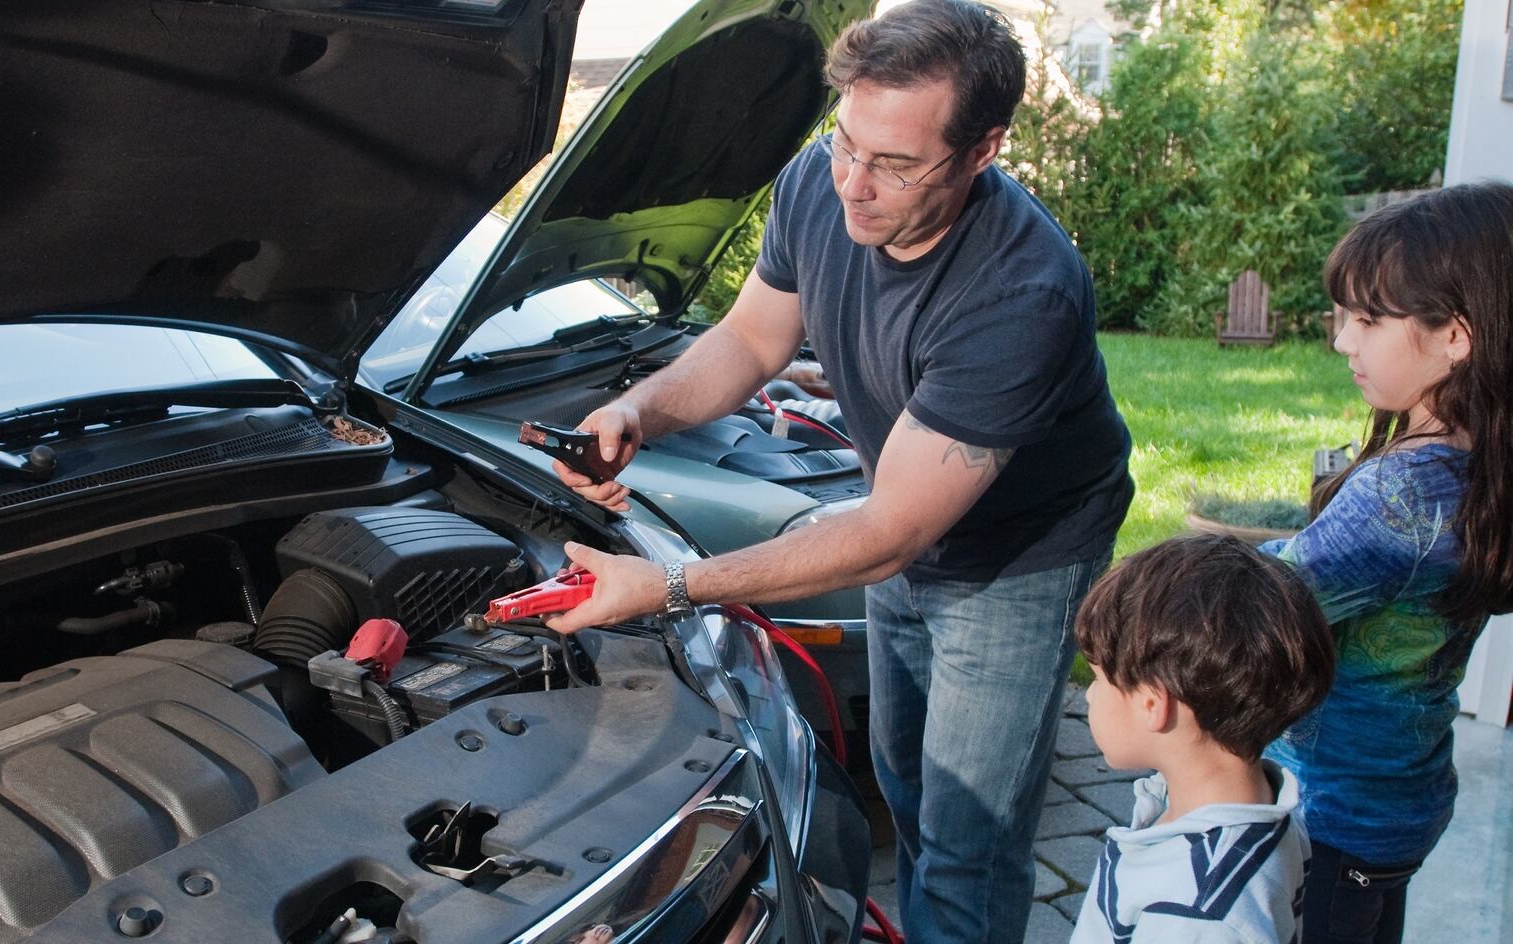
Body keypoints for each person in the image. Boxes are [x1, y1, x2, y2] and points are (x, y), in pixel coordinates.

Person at [544, 2, 1134, 941]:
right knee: (903, 780)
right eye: (845, 142)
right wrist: (637, 411)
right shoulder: (821, 185)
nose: (855, 185)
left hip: (1019, 558)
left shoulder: (1023, 291)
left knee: (969, 836)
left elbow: (889, 533)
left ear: (984, 150)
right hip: (900, 527)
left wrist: (666, 587)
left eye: (896, 164)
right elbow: (750, 338)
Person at [1260, 181, 1513, 944]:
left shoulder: (1404, 496)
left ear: (1456, 337)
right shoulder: (1476, 463)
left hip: (1331, 816)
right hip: (1398, 798)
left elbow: (1262, 599)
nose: (1343, 341)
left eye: (1368, 320)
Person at [1068, 534, 1336, 944]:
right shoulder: (1259, 807)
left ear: (1153, 705)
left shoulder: (1199, 916)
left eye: (1099, 679)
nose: (1088, 694)